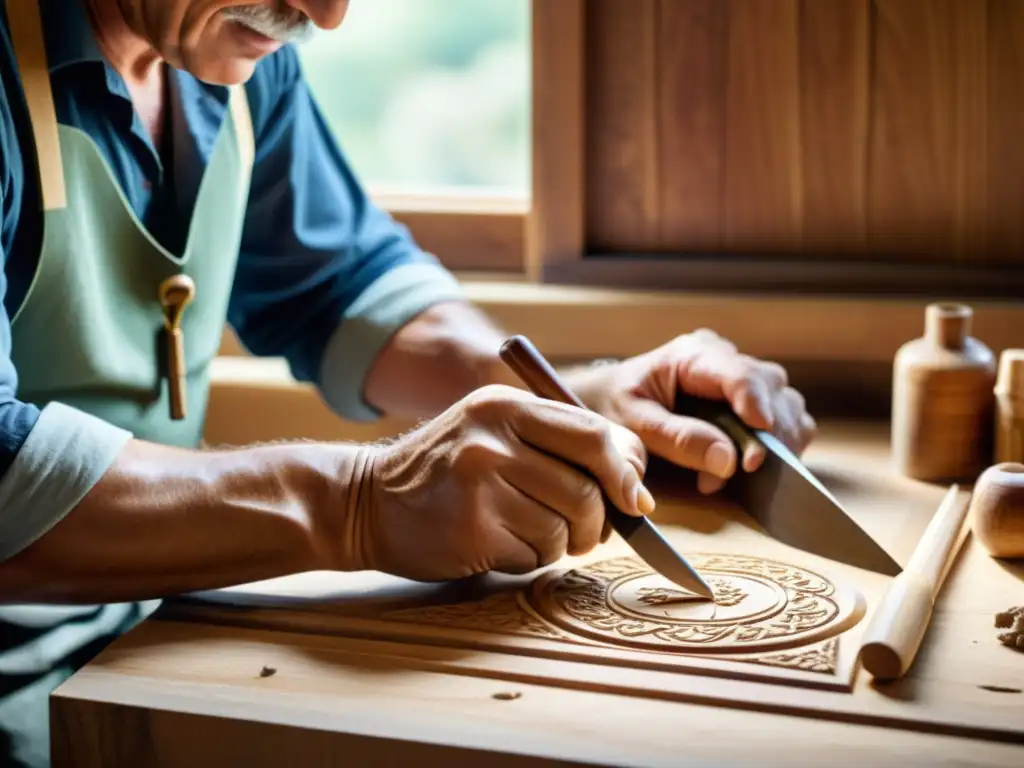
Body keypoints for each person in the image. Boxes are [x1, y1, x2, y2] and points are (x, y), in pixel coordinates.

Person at [0, 1, 817, 765]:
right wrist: (353, 501)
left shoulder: (233, 51)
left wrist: (582, 398)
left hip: (142, 636)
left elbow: (343, 287)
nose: (327, 13)